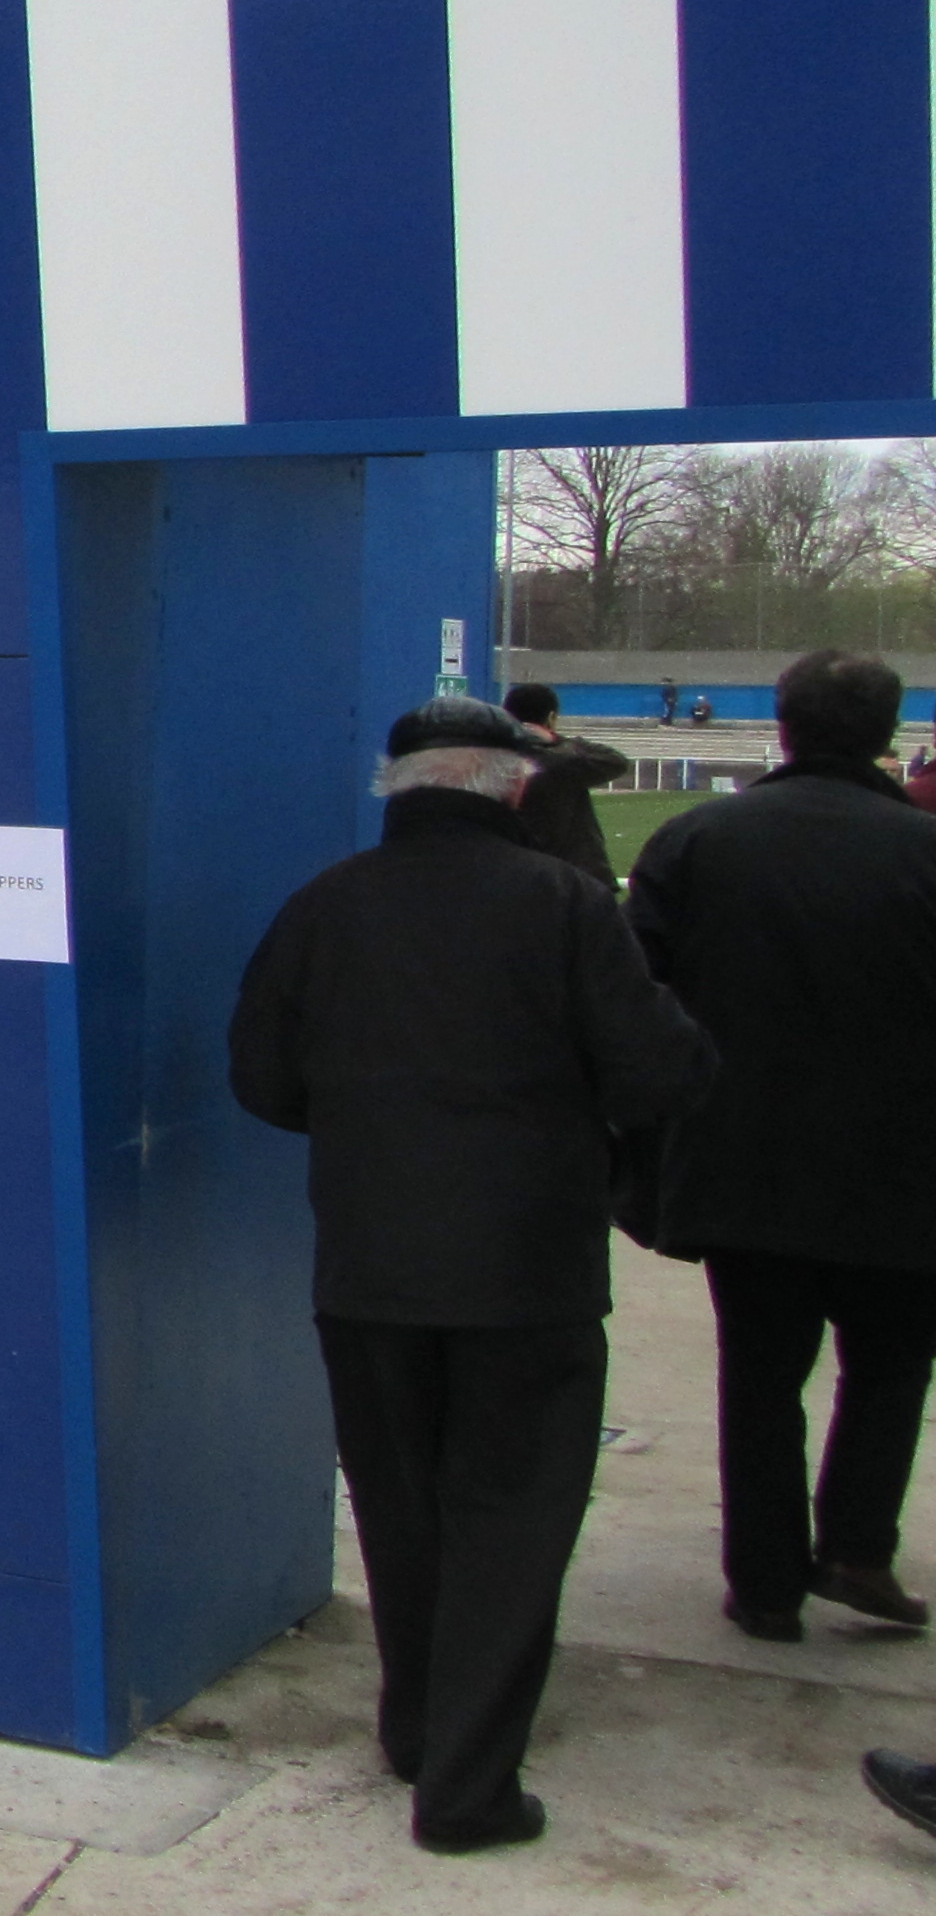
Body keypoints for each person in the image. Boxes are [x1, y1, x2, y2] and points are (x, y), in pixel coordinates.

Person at [231, 697, 716, 1854]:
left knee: (400, 1506)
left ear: (395, 786)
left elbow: (261, 1077)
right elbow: (659, 1070)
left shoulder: (325, 905)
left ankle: (417, 1724)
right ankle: (468, 1783)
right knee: (513, 1517)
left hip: (369, 1267)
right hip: (527, 1272)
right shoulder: (564, 905)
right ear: (513, 786)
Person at [623, 649, 936, 1646]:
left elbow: (633, 998)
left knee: (759, 1378)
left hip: (740, 1162)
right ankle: (856, 1546)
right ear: (887, 734)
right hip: (903, 1167)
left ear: (784, 725)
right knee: (890, 1367)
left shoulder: (697, 839)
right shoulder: (924, 851)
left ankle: (763, 1583)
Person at [501, 683, 632, 886]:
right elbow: (616, 761)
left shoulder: (492, 759)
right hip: (573, 878)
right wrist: (555, 740)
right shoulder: (565, 762)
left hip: (511, 874)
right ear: (551, 718)